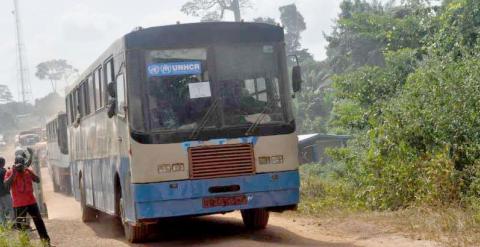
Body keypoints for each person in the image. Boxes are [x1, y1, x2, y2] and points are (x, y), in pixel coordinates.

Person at [4, 151, 50, 245]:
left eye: (22, 164)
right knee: (21, 227)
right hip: (18, 205)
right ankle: (25, 244)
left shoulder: (27, 171)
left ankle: (46, 243)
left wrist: (28, 170)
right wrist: (14, 173)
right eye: (18, 165)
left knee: (39, 223)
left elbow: (37, 180)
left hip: (31, 203)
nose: (20, 167)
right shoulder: (10, 172)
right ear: (15, 164)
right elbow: (6, 186)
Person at [0, 157, 13, 226]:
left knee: (1, 209)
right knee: (10, 208)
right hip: (5, 192)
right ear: (3, 163)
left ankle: (4, 225)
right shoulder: (4, 171)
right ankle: (13, 223)